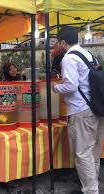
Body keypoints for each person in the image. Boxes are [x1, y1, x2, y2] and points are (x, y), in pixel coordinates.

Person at [53, 26, 103, 194]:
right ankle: (93, 185)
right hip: (97, 109)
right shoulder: (89, 55)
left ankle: (91, 191)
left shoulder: (69, 58)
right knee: (93, 152)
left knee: (82, 154)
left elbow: (71, 85)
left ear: (62, 42)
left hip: (81, 111)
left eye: (57, 42)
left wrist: (56, 88)